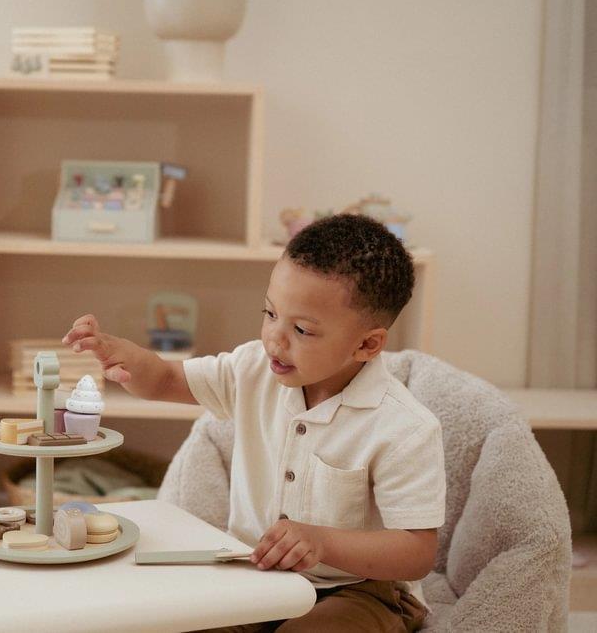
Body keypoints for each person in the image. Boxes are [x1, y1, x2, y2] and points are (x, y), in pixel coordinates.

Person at [63, 214, 445, 631]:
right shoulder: (252, 368)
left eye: (301, 329)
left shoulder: (403, 426)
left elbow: (417, 551)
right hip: (254, 575)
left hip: (359, 591)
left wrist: (323, 541)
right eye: (269, 313)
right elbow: (168, 379)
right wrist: (122, 355)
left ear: (367, 345)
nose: (274, 339)